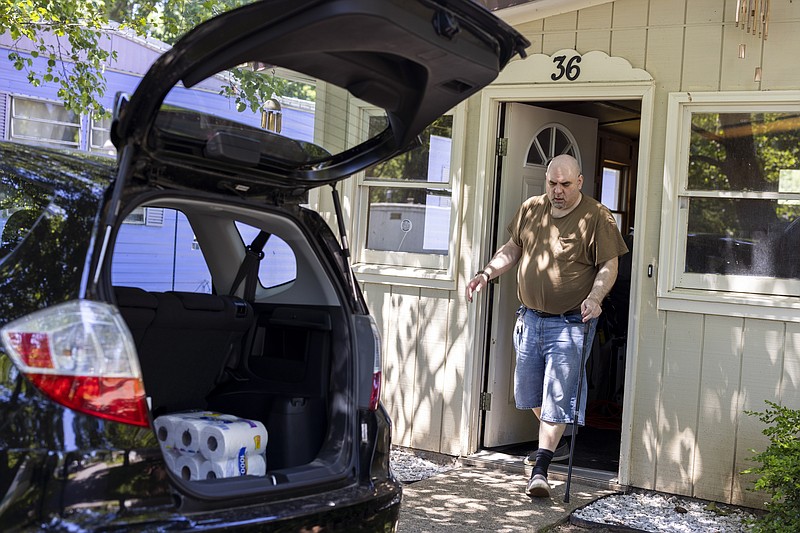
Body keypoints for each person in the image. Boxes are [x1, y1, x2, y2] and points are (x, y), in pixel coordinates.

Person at [466, 154, 628, 498]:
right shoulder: (531, 208)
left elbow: (608, 266)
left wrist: (596, 297)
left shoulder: (597, 216)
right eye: (552, 183)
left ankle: (540, 468)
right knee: (528, 394)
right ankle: (556, 437)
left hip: (571, 323)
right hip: (529, 318)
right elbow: (513, 247)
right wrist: (486, 273)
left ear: (580, 182)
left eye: (565, 184)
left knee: (557, 396)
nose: (558, 191)